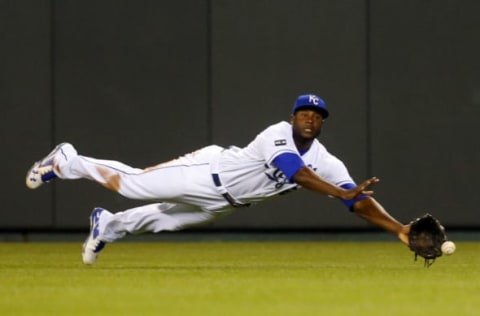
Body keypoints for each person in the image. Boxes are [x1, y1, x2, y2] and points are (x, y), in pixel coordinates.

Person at [26, 93, 410, 265]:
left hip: (224, 204)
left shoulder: (327, 161)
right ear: (292, 117)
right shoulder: (276, 133)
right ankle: (67, 161)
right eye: (304, 113)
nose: (310, 118)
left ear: (323, 123)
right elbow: (299, 175)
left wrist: (399, 230)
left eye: (318, 115)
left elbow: (355, 202)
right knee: (132, 183)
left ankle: (106, 224)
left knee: (159, 220)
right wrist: (340, 190)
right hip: (205, 174)